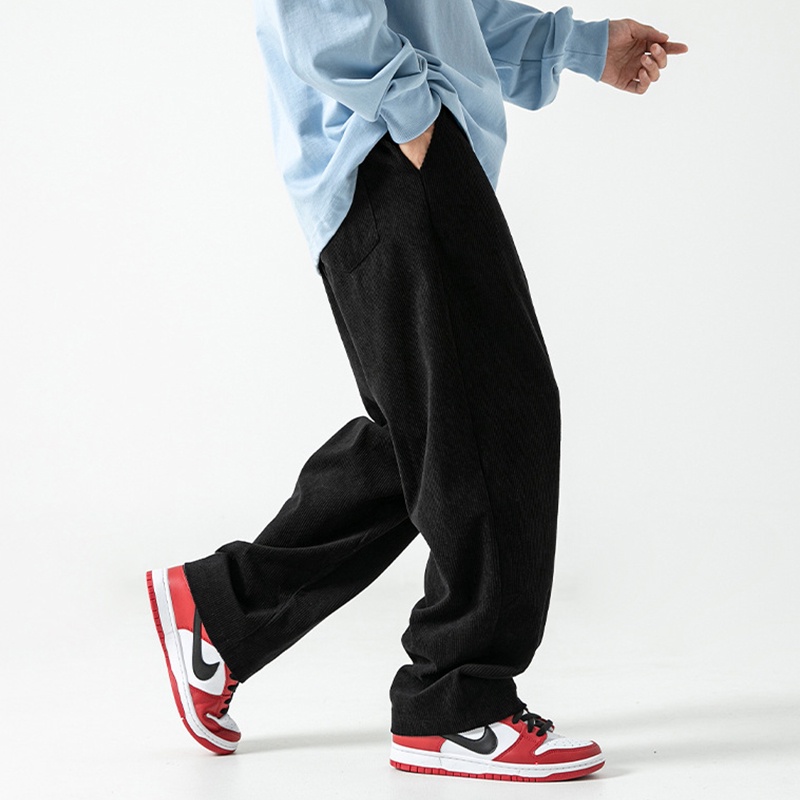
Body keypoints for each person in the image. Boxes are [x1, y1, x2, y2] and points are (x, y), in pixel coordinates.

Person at [146, 1, 687, 783]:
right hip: (388, 151)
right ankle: (456, 700)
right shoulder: (400, 126)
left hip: (391, 152)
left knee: (433, 431)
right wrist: (413, 115)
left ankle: (220, 612)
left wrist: (577, 45)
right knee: (498, 418)